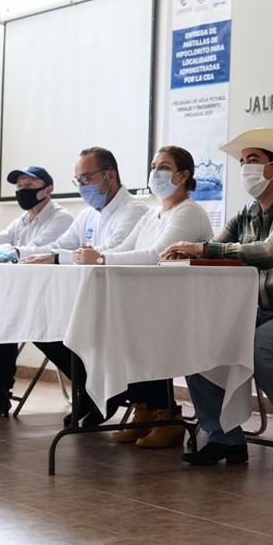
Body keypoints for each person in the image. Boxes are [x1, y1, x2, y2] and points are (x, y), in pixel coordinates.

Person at [161, 128, 273, 473]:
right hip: (265, 312)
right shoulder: (246, 214)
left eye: (252, 160)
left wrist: (200, 249)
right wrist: (183, 255)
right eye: (244, 160)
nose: (245, 167)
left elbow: (269, 252)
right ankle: (224, 438)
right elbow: (218, 251)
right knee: (198, 339)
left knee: (263, 346)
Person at [70, 145, 214, 448]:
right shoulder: (152, 214)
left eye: (163, 167)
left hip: (181, 307)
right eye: (153, 165)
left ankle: (167, 416)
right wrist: (96, 255)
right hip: (150, 302)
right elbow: (125, 249)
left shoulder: (188, 212)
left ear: (183, 175)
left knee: (138, 330)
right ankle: (143, 409)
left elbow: (154, 254)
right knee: (120, 327)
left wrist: (101, 260)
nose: (155, 172)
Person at [3, 146, 151, 424]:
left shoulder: (135, 210)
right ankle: (92, 390)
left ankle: (103, 393)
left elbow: (108, 253)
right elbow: (60, 246)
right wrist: (23, 255)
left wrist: (56, 257)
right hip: (85, 298)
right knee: (39, 323)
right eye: (78, 181)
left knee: (68, 326)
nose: (82, 187)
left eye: (86, 179)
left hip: (119, 304)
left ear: (110, 175)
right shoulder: (87, 215)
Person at [0, 166, 74, 418]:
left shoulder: (61, 218)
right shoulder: (23, 220)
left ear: (48, 189)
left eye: (29, 185)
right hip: (21, 293)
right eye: (19, 186)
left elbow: (27, 251)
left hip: (49, 298)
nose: (23, 190)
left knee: (3, 314)